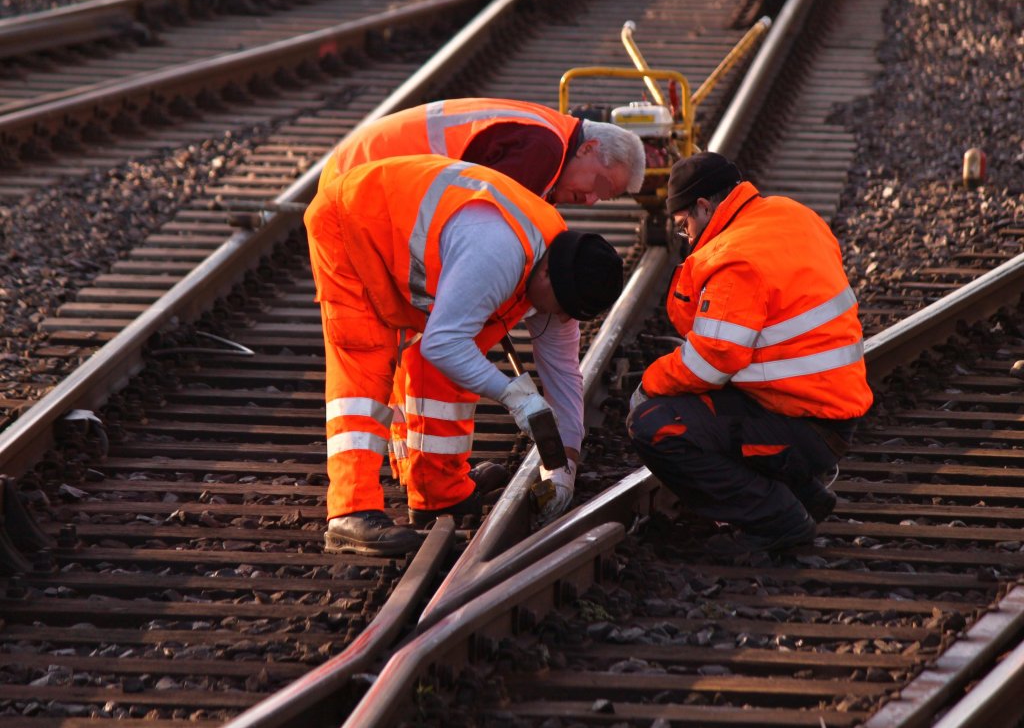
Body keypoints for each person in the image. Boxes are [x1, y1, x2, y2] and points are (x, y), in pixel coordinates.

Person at [304, 154, 624, 556]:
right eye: (559, 306)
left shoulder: (562, 271)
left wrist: (564, 469)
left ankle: (438, 494)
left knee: (449, 367)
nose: (558, 317)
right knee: (366, 362)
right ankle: (351, 511)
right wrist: (513, 395)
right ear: (545, 277)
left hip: (405, 234)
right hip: (352, 220)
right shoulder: (499, 255)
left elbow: (564, 377)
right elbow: (443, 343)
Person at [627, 152, 873, 555]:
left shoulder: (735, 258)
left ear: (704, 207)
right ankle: (805, 494)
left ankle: (778, 520)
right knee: (703, 400)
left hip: (804, 424)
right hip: (824, 408)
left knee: (654, 423)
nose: (686, 237)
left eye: (684, 225)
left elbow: (709, 361)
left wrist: (648, 385)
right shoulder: (791, 214)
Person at [317, 97, 646, 206]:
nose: (591, 200)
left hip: (361, 169)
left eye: (603, 198)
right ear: (588, 148)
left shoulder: (550, 133)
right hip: (358, 181)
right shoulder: (544, 151)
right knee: (367, 338)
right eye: (600, 186)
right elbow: (490, 229)